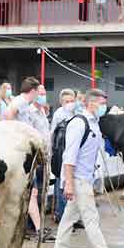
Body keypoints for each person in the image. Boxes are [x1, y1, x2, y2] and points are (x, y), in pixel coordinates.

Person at [51, 89, 124, 248]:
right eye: (101, 103)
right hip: (78, 180)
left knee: (69, 218)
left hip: (85, 178)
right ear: (90, 103)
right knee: (91, 219)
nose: (103, 106)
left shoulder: (94, 123)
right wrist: (68, 183)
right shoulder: (79, 123)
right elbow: (70, 156)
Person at [7, 78, 52, 240]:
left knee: (31, 193)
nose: (39, 96)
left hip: (29, 153)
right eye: (38, 93)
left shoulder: (27, 105)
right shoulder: (20, 101)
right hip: (21, 153)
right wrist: (14, 133)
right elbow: (9, 114)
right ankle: (36, 228)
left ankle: (31, 227)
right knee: (30, 193)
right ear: (32, 91)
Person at [50, 89, 78, 223]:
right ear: (61, 103)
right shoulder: (58, 115)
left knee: (73, 185)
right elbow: (52, 135)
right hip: (60, 154)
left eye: (72, 101)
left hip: (75, 155)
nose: (70, 104)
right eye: (67, 101)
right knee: (60, 184)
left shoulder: (78, 114)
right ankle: (61, 214)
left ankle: (73, 216)